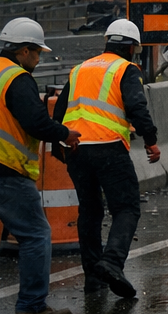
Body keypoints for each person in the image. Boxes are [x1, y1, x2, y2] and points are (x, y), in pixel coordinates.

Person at [54, 18, 158, 299]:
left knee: (89, 211)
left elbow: (59, 111)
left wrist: (59, 145)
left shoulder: (79, 69)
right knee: (126, 208)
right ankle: (111, 263)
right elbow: (137, 106)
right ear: (133, 48)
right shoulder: (126, 69)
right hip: (108, 147)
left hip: (76, 149)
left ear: (107, 42)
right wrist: (150, 140)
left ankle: (93, 279)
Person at [0, 18, 82, 314]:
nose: (39, 58)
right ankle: (31, 307)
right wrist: (64, 133)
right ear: (23, 51)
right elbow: (35, 122)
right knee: (35, 234)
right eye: (37, 52)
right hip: (5, 169)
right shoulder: (16, 79)